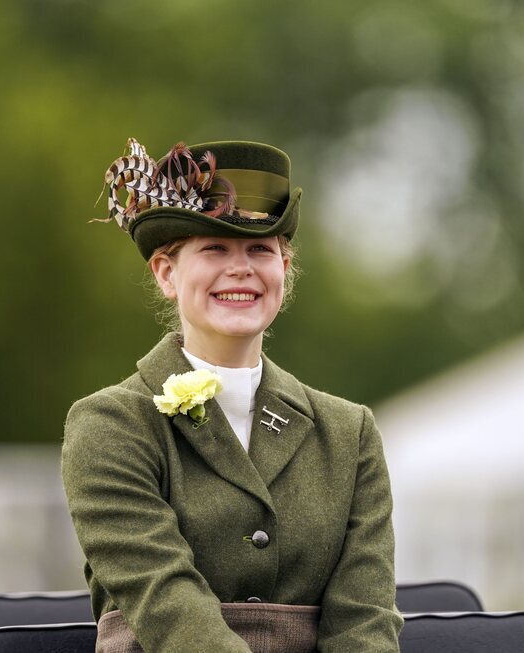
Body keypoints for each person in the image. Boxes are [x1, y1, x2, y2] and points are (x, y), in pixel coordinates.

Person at [62, 138, 403, 652]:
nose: (241, 268)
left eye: (261, 250)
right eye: (214, 248)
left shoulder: (348, 432)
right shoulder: (109, 425)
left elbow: (364, 622)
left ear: (283, 271)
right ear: (166, 272)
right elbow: (167, 603)